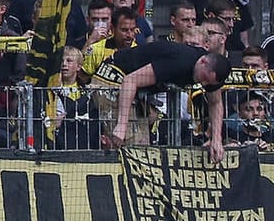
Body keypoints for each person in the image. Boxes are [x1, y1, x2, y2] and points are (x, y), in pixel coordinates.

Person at [93, 39, 232, 160]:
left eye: (209, 84)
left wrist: (216, 139)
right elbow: (130, 81)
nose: (204, 84)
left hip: (134, 90)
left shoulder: (213, 74)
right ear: (203, 61)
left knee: (142, 147)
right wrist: (121, 125)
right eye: (204, 78)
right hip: (112, 79)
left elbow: (216, 102)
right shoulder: (180, 62)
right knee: (128, 141)